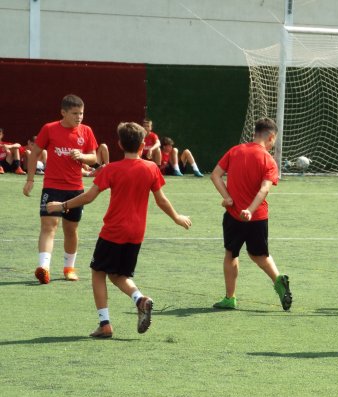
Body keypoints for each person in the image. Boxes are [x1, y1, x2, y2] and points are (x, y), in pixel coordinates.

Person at [46, 122, 192, 338]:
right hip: (136, 233)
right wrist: (177, 217)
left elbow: (89, 196)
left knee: (98, 272)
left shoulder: (112, 169)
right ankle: (140, 299)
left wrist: (62, 206)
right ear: (143, 144)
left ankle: (105, 324)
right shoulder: (151, 168)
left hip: (113, 231)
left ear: (119, 144)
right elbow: (161, 200)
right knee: (118, 275)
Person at [210, 117, 292, 311]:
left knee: (231, 254)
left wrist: (228, 198)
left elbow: (215, 175)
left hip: (234, 215)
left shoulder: (235, 151)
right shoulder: (268, 160)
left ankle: (230, 298)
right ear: (271, 137)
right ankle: (278, 280)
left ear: (255, 133)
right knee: (260, 255)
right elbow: (264, 189)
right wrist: (251, 210)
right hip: (258, 217)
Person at [23, 94, 98, 284]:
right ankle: (44, 267)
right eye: (74, 113)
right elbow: (34, 154)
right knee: (49, 226)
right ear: (63, 112)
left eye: (81, 113)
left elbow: (94, 158)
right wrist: (30, 179)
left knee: (71, 229)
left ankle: (69, 268)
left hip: (75, 189)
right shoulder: (49, 129)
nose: (79, 117)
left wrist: (81, 156)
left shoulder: (86, 131)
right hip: (52, 186)